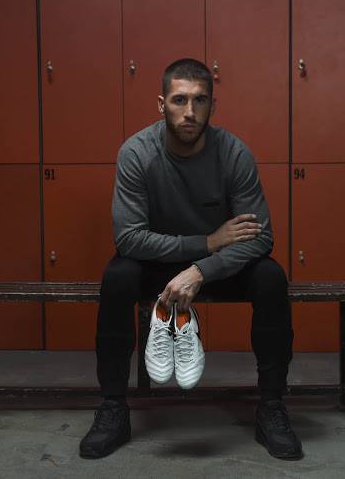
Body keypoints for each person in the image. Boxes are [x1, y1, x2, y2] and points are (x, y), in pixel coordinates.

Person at [79, 58, 301, 460]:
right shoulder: (137, 152)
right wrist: (208, 242)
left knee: (271, 277)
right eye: (179, 100)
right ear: (161, 104)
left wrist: (201, 269)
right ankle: (113, 407)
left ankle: (271, 407)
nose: (190, 111)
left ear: (212, 105)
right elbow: (129, 238)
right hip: (158, 263)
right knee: (117, 276)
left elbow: (261, 237)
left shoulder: (233, 153)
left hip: (214, 268)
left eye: (200, 100)